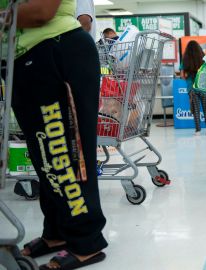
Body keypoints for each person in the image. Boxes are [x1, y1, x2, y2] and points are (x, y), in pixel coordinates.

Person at [2, 0, 108, 269]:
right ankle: (58, 232)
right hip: (26, 59)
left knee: (64, 151)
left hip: (57, 50)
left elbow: (41, 12)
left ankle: (87, 241)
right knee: (46, 156)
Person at [180, 41, 206, 136]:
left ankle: (198, 131)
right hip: (203, 87)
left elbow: (182, 75)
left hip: (192, 88)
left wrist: (188, 78)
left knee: (196, 109)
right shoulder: (203, 58)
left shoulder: (185, 59)